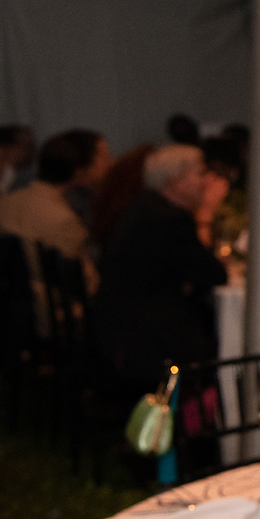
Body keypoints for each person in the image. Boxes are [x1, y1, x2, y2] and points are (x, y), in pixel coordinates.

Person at [92, 145, 229, 403]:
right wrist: (206, 215)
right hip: (148, 338)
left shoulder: (145, 207)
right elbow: (213, 274)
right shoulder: (168, 219)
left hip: (122, 323)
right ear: (175, 181)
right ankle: (207, 423)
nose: (207, 181)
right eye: (200, 174)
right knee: (219, 332)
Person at [0, 129, 110, 274]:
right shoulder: (65, 219)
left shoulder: (4, 204)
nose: (111, 163)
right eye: (104, 157)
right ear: (79, 171)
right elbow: (84, 283)